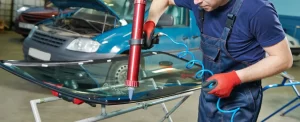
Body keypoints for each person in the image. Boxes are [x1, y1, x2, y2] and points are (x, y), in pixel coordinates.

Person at [143, 0, 293, 121]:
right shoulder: (199, 1)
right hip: (208, 92)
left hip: (240, 100)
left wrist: (234, 78)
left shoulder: (258, 10)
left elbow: (283, 59)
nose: (195, 2)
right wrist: (151, 22)